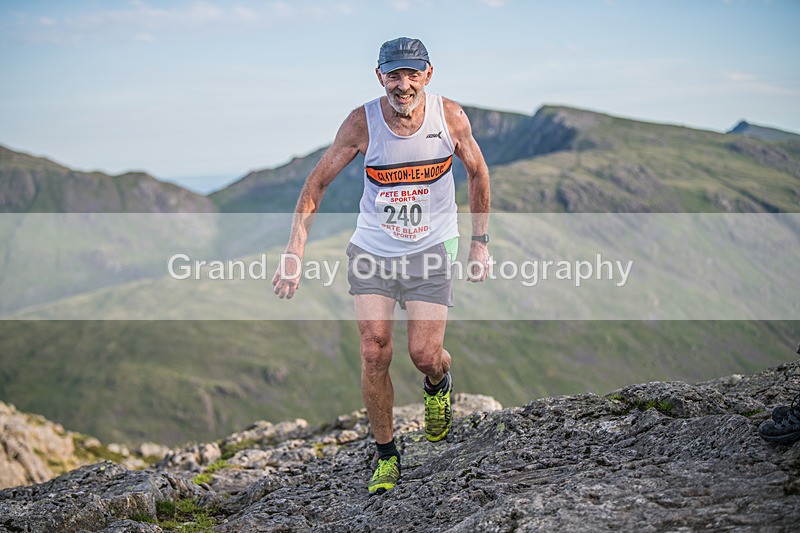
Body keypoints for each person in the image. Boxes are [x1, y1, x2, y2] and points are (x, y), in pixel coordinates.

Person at [272, 37, 491, 495]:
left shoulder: (449, 117)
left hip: (431, 248)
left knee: (424, 355)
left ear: (428, 75)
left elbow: (477, 172)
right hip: (373, 249)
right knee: (375, 350)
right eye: (394, 74)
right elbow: (316, 185)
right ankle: (387, 455)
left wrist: (479, 242)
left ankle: (439, 382)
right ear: (380, 78)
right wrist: (294, 251)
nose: (403, 84)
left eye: (413, 74)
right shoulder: (361, 122)